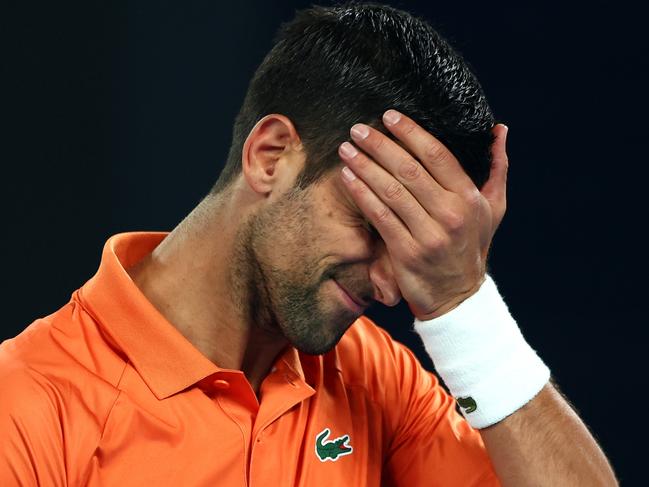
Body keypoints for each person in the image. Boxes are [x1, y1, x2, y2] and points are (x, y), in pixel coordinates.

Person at [0, 3, 617, 486]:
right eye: (373, 227)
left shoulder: (377, 378)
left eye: (413, 248)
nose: (391, 286)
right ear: (271, 157)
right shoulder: (25, 407)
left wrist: (464, 301)